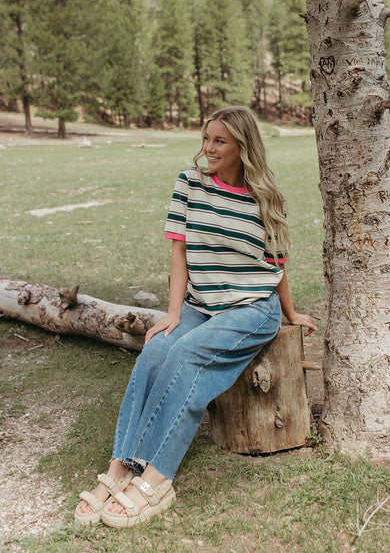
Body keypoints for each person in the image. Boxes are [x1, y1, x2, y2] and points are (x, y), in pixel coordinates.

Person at [74, 106, 317, 529]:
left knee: (185, 357)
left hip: (252, 308)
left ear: (243, 146)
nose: (208, 148)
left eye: (219, 141)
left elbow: (277, 264)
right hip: (200, 305)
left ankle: (157, 479)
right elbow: (179, 250)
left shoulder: (267, 197)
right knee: (156, 350)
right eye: (206, 138)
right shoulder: (190, 182)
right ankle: (121, 467)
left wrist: (290, 313)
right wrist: (172, 313)